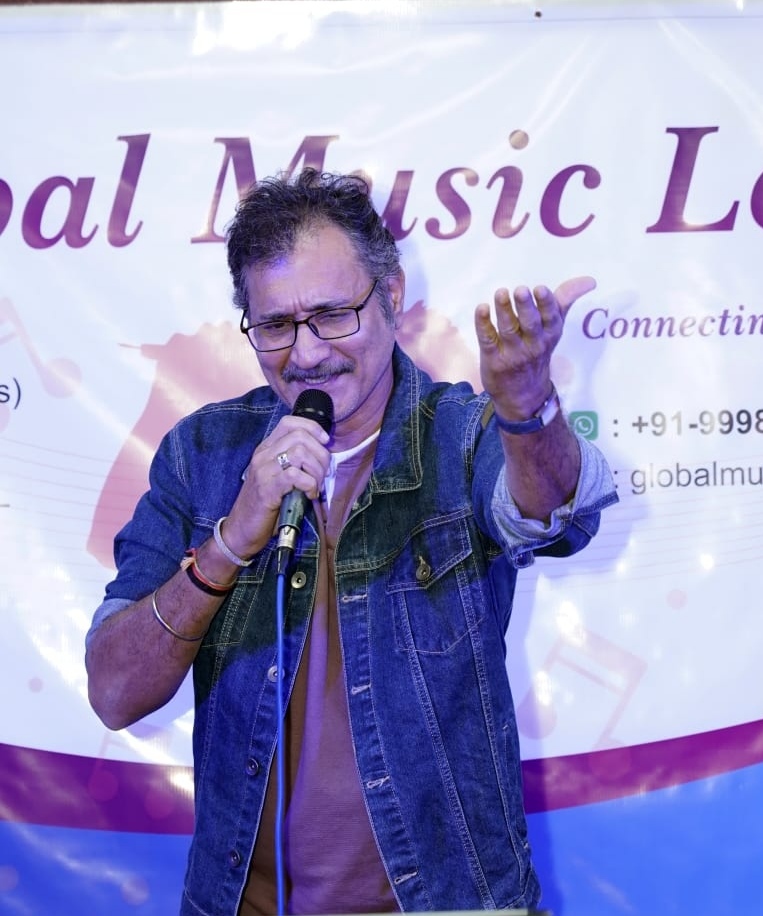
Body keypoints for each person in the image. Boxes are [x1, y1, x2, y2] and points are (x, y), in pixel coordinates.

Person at [85, 167, 618, 915]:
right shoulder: (201, 454)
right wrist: (232, 540)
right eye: (275, 326)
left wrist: (527, 409)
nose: (305, 354)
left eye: (332, 315)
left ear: (391, 296)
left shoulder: (459, 436)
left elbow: (553, 513)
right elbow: (114, 692)